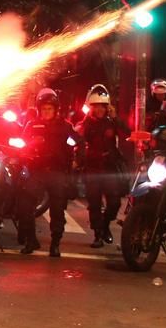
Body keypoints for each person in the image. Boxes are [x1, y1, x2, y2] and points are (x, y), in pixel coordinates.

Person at [17, 88, 84, 257]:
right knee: (24, 204)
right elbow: (21, 144)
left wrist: (76, 160)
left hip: (57, 172)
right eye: (44, 109)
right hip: (37, 170)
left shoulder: (65, 126)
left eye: (50, 109)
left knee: (57, 209)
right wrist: (30, 145)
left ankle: (55, 244)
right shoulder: (32, 125)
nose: (46, 112)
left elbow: (79, 142)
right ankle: (30, 240)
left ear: (55, 110)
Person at [75, 84, 131, 249]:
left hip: (110, 167)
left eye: (102, 106)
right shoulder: (86, 124)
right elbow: (76, 142)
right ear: (91, 108)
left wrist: (116, 118)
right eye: (96, 106)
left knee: (114, 203)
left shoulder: (112, 122)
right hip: (92, 169)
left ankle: (105, 225)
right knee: (94, 203)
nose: (99, 110)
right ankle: (98, 234)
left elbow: (127, 132)